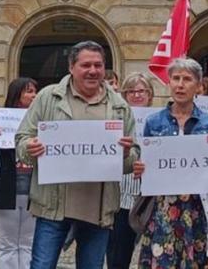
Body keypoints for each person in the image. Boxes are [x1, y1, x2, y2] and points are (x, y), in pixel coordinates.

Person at [15, 41, 141, 269]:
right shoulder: (47, 98)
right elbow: (22, 140)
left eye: (98, 65)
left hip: (99, 209)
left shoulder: (119, 106)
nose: (93, 71)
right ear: (71, 67)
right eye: (86, 65)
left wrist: (124, 154)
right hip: (52, 205)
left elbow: (133, 159)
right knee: (41, 265)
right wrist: (29, 147)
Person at [137, 58, 208, 268]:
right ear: (169, 83)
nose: (180, 84)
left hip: (198, 208)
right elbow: (146, 163)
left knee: (196, 261)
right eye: (176, 78)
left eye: (187, 79)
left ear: (198, 86)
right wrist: (141, 168)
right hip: (163, 207)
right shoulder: (153, 122)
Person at [0, 77, 38, 269]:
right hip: (5, 190)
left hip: (33, 191)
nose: (34, 95)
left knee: (28, 243)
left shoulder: (41, 121)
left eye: (35, 91)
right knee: (7, 244)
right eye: (29, 91)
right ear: (16, 94)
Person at [107, 72, 154, 269]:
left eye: (142, 91)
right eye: (131, 91)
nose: (137, 95)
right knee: (119, 253)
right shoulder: (116, 118)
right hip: (123, 194)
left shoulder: (158, 119)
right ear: (124, 95)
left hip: (150, 194)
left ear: (150, 94)